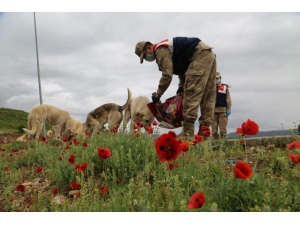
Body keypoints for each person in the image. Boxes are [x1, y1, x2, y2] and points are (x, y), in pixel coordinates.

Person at [135, 37, 217, 139]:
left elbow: (167, 75)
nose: (147, 59)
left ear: (149, 48)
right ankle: (203, 134)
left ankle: (187, 134)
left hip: (198, 55)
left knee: (192, 93)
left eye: (145, 55)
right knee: (208, 95)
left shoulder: (160, 50)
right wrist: (181, 86)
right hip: (208, 54)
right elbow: (184, 67)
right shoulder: (167, 47)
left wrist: (158, 94)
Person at [211, 72, 232, 139]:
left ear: (220, 78)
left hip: (223, 110)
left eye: (217, 78)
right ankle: (215, 144)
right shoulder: (210, 88)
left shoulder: (224, 87)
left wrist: (228, 109)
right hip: (213, 111)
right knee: (214, 130)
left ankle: (224, 143)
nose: (216, 80)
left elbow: (228, 99)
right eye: (215, 78)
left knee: (223, 129)